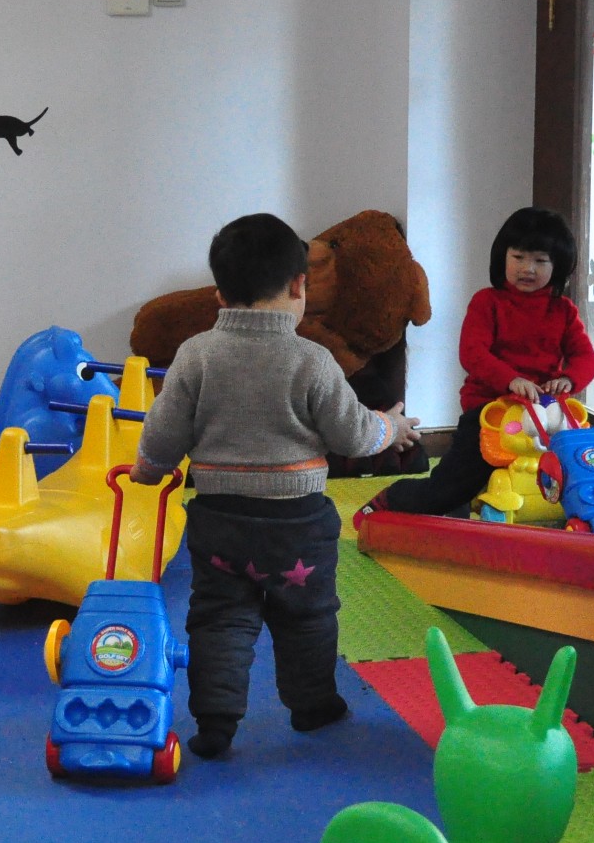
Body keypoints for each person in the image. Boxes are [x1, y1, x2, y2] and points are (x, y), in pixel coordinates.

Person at [132, 213, 419, 760]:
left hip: (220, 521)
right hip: (297, 526)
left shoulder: (195, 354)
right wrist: (392, 426)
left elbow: (163, 431)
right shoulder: (312, 360)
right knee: (307, 616)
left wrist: (148, 469)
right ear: (298, 286)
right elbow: (354, 434)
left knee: (219, 617)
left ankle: (215, 719)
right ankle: (312, 706)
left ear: (220, 294)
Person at [357, 206, 594, 524]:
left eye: (540, 261)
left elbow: (586, 357)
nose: (528, 268)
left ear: (558, 266)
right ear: (503, 257)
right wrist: (511, 380)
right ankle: (393, 498)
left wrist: (569, 379)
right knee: (447, 490)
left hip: (545, 417)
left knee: (578, 472)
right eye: (519, 257)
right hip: (490, 413)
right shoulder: (487, 302)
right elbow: (473, 353)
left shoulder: (563, 311)